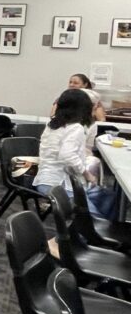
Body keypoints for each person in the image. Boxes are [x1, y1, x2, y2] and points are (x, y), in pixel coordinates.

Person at [35, 89, 113, 218]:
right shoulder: (76, 128)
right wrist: (87, 174)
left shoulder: (52, 124)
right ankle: (72, 236)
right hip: (59, 185)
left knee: (107, 197)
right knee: (92, 216)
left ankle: (80, 234)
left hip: (45, 180)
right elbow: (67, 156)